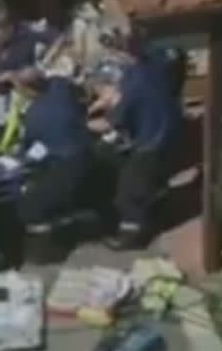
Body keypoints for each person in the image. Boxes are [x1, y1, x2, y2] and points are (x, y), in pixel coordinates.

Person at [88, 56, 182, 250]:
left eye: (100, 91)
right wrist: (106, 102)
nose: (100, 96)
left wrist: (81, 124)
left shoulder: (130, 93)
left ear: (111, 84)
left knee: (128, 192)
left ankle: (132, 237)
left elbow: (108, 124)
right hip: (169, 132)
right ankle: (158, 215)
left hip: (150, 143)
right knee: (153, 182)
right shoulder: (150, 73)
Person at [13, 68, 93, 263]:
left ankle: (48, 252)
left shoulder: (35, 116)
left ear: (29, 90)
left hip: (66, 165)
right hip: (85, 150)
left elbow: (30, 147)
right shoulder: (60, 85)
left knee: (29, 205)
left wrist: (18, 157)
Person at [0, 0, 59, 85]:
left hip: (36, 82)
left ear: (11, 22)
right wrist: (9, 76)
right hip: (7, 89)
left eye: (5, 26)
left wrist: (41, 66)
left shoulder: (26, 29)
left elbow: (58, 37)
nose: (1, 32)